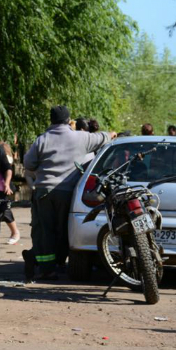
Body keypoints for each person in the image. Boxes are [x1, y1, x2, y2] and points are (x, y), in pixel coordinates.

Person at [22, 106, 113, 280]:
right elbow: (103, 138)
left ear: (51, 120)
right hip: (67, 193)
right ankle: (59, 263)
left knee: (45, 231)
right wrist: (112, 134)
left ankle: (47, 269)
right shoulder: (81, 137)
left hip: (44, 191)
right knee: (65, 229)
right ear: (68, 120)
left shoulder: (42, 139)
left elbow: (28, 164)